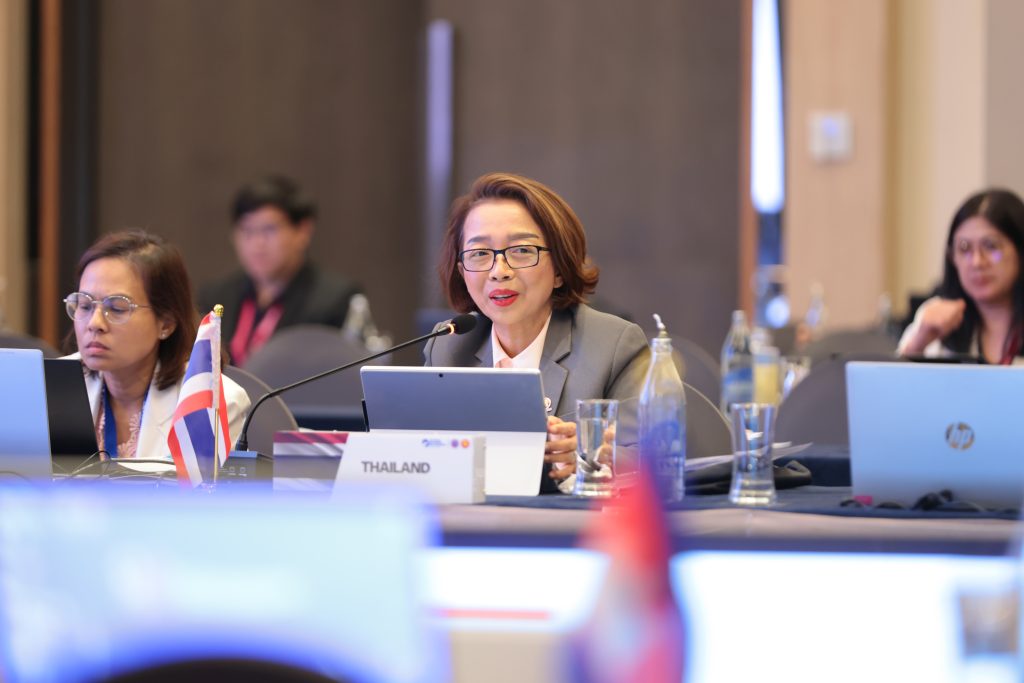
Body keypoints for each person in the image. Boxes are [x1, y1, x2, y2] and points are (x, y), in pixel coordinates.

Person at [424, 172, 649, 492]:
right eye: (480, 254)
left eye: (521, 251)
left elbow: (653, 458)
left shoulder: (613, 345)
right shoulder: (447, 346)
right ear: (462, 272)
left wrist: (594, 456)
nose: (499, 272)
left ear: (559, 269)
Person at [64, 231, 250, 459]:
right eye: (85, 305)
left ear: (166, 323)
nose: (95, 323)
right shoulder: (47, 386)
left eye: (117, 308)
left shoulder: (211, 403)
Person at [198, 174, 377, 366]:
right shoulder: (216, 297)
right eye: (247, 230)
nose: (257, 244)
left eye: (269, 230)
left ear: (303, 231)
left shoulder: (333, 301)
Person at [898, 188, 1024, 364]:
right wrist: (919, 342)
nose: (977, 262)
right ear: (952, 258)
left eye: (991, 246)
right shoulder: (936, 319)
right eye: (964, 249)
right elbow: (893, 380)